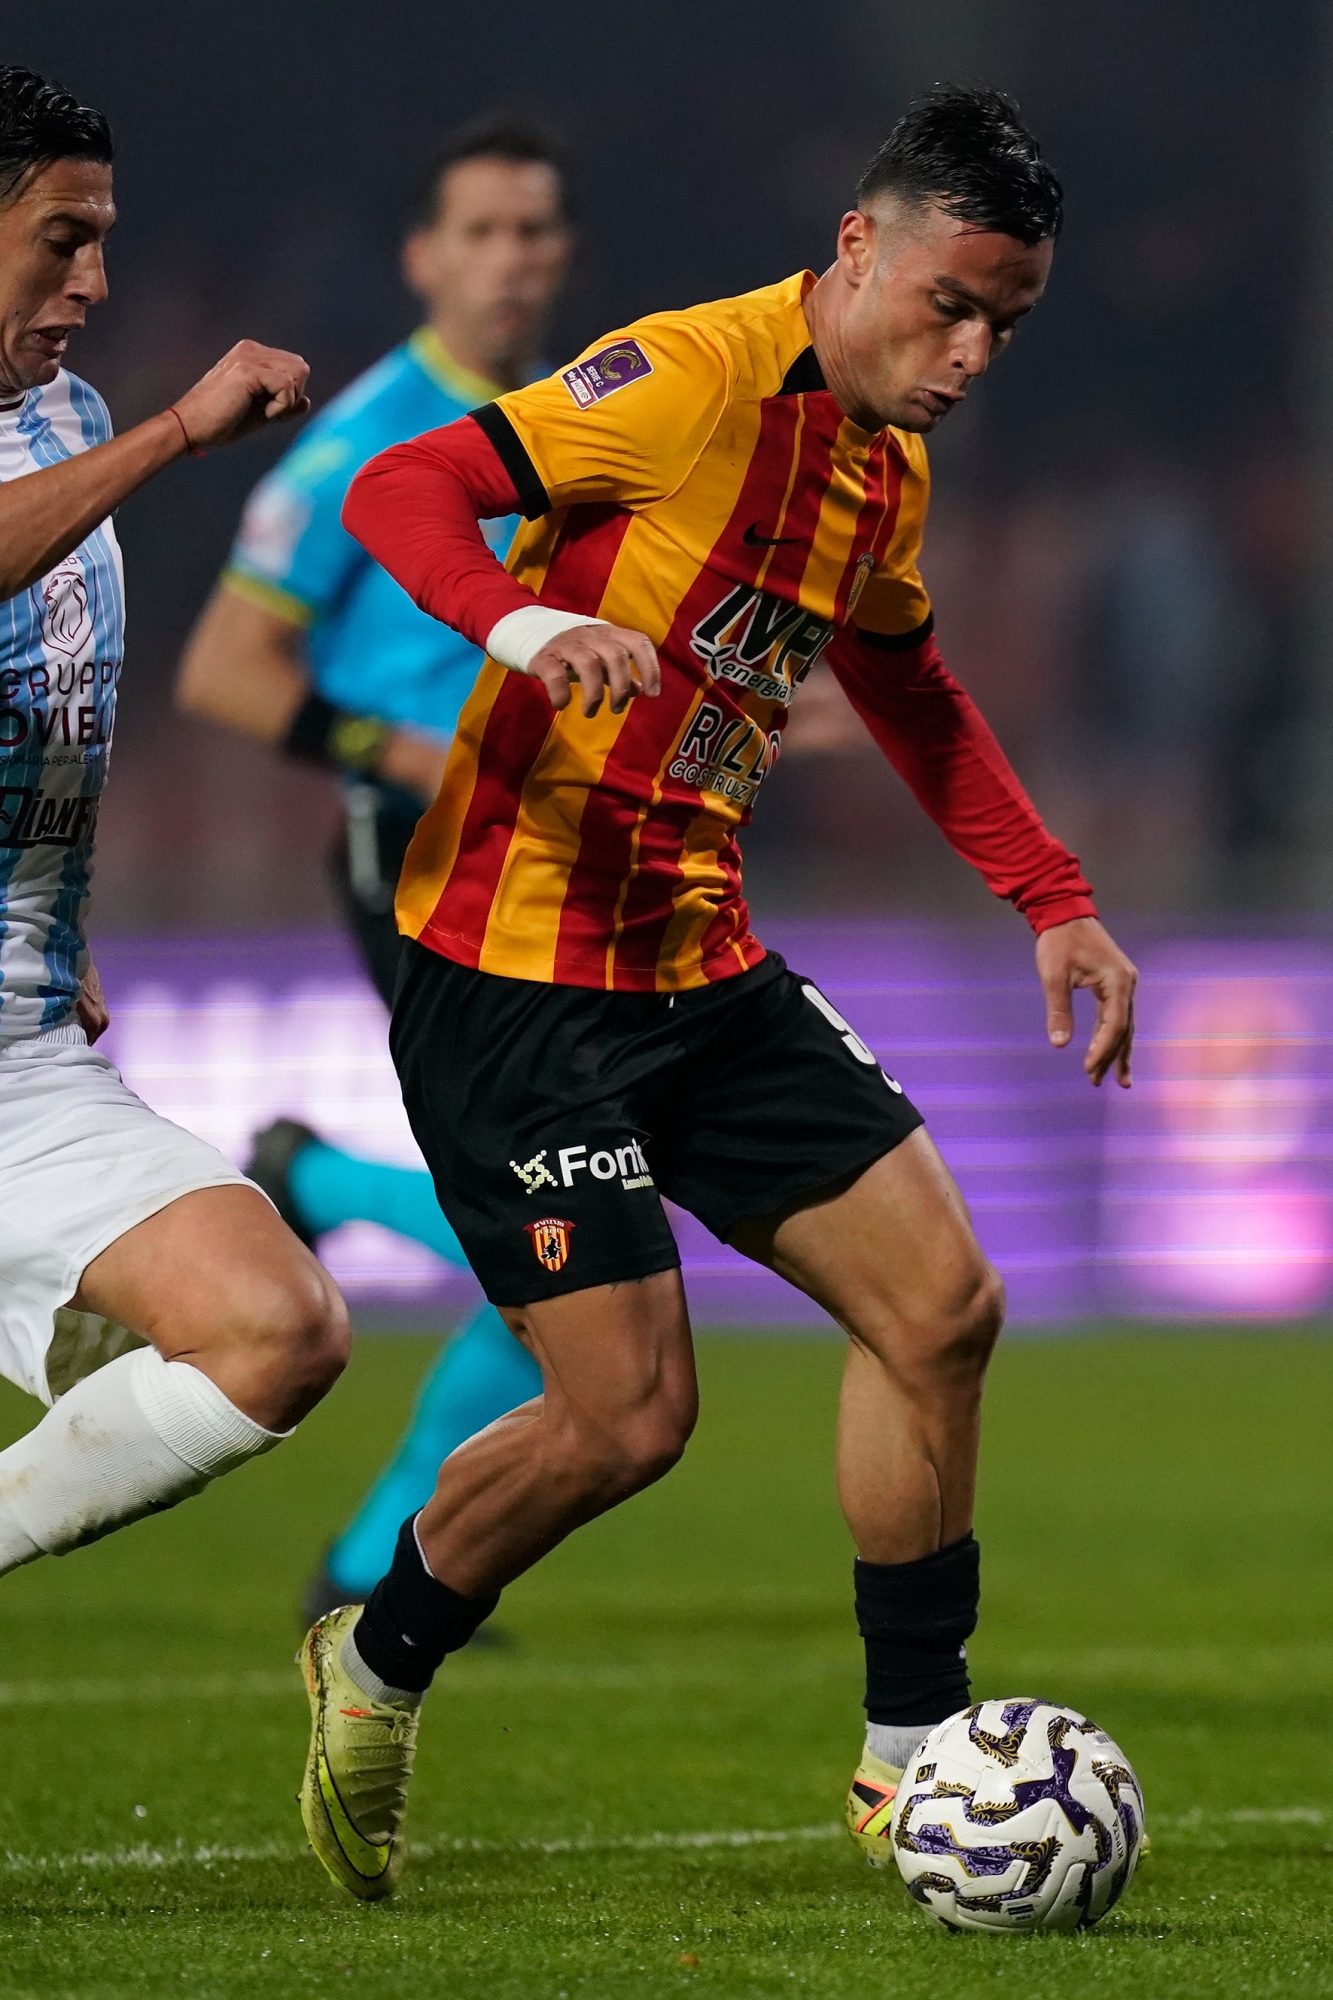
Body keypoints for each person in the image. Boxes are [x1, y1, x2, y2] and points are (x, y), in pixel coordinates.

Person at [297, 86, 1138, 1903]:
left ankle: (910, 1763)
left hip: (702, 964)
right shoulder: (681, 378)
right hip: (514, 979)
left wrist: (1050, 899)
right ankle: (374, 1658)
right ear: (857, 250)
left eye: (1008, 322)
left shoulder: (882, 463)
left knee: (941, 1307)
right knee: (629, 1421)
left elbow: (907, 687)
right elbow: (402, 483)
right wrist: (520, 626)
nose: (974, 350)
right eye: (951, 303)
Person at [175, 118, 574, 1622]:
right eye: (480, 230)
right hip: (414, 852)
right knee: (559, 1226)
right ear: (424, 256)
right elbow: (223, 671)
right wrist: (401, 752)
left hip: (547, 846)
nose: (511, 256)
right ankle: (376, 1556)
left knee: (568, 1228)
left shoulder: (573, 418)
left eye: (533, 230)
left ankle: (369, 1559)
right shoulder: (366, 438)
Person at [0, 67, 350, 1600]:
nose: (93, 280)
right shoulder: (116, 438)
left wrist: (50, 928)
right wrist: (175, 434)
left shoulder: (59, 416)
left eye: (104, 240)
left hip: (17, 1052)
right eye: (58, 238)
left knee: (278, 1324)